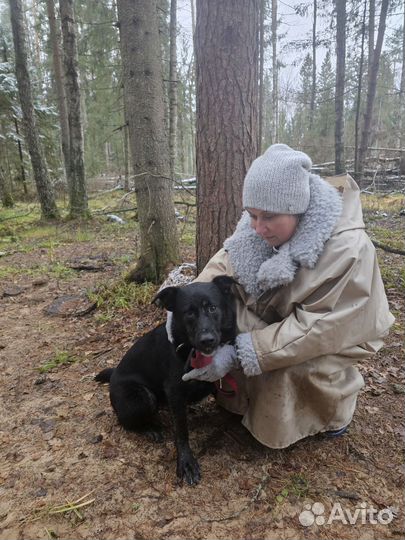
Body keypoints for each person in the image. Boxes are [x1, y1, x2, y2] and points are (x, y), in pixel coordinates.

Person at [182, 143, 395, 449]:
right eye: (251, 215)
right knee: (225, 327)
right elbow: (224, 262)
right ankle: (242, 404)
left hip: (333, 336)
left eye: (267, 217)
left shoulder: (348, 250)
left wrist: (240, 353)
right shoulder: (258, 223)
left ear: (298, 209)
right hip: (280, 317)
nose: (257, 227)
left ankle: (327, 416)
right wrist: (187, 301)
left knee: (289, 366)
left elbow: (317, 328)